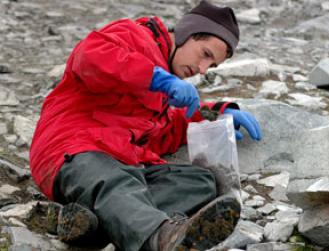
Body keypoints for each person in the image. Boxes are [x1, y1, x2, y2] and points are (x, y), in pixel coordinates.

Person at [29, 1, 262, 250]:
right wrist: (155, 78)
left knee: (201, 182)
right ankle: (161, 238)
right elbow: (89, 58)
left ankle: (95, 227)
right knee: (114, 181)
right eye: (205, 54)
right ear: (186, 34)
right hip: (72, 151)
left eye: (212, 66)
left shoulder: (166, 88)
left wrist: (215, 116)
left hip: (121, 163)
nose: (202, 70)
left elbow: (165, 133)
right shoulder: (134, 36)